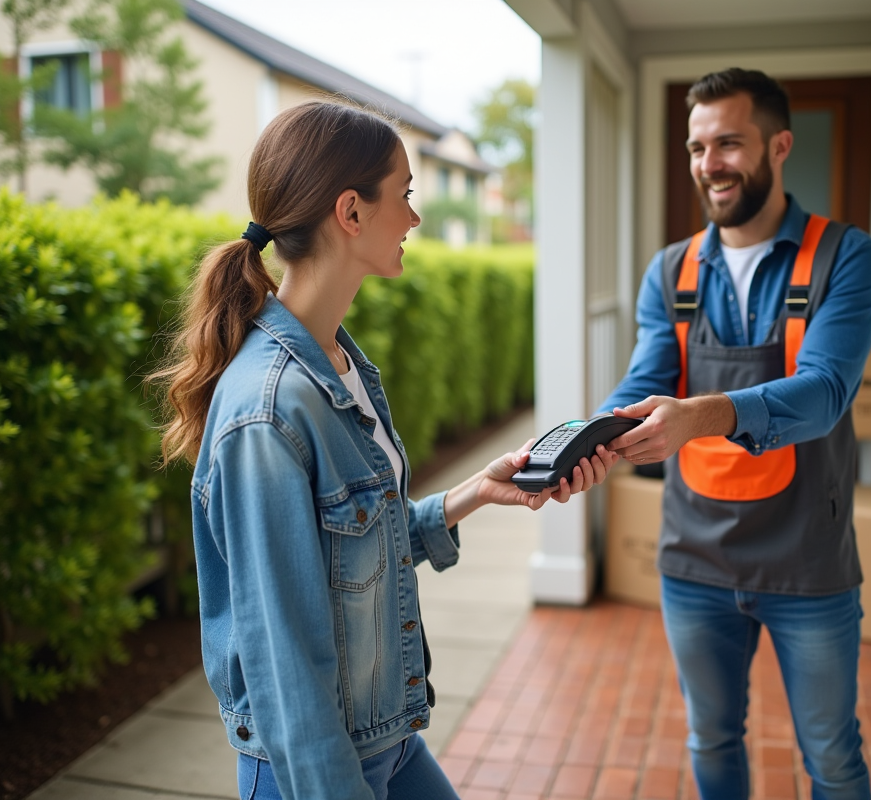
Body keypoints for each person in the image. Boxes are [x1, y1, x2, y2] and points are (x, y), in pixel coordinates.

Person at [153, 100, 618, 800]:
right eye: (404, 195)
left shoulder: (338, 361)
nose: (414, 217)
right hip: (315, 768)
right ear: (351, 212)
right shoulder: (269, 410)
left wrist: (478, 492)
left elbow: (359, 543)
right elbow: (283, 662)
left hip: (388, 740)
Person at [601, 68, 871, 799]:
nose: (709, 164)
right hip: (694, 558)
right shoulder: (671, 270)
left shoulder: (846, 258)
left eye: (729, 142)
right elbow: (645, 382)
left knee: (832, 754)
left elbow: (823, 395)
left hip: (808, 564)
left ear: (779, 145)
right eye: (697, 147)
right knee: (712, 738)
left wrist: (700, 414)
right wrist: (586, 439)